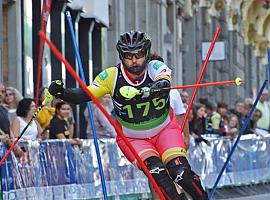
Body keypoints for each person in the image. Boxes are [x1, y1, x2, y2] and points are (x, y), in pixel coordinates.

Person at [48, 30, 208, 200]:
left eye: (138, 55)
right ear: (121, 56)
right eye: (128, 56)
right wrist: (62, 93)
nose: (133, 61)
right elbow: (87, 93)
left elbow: (163, 83)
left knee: (179, 172)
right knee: (157, 175)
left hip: (164, 130)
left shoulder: (155, 67)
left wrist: (146, 91)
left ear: (146, 53)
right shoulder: (111, 76)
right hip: (133, 138)